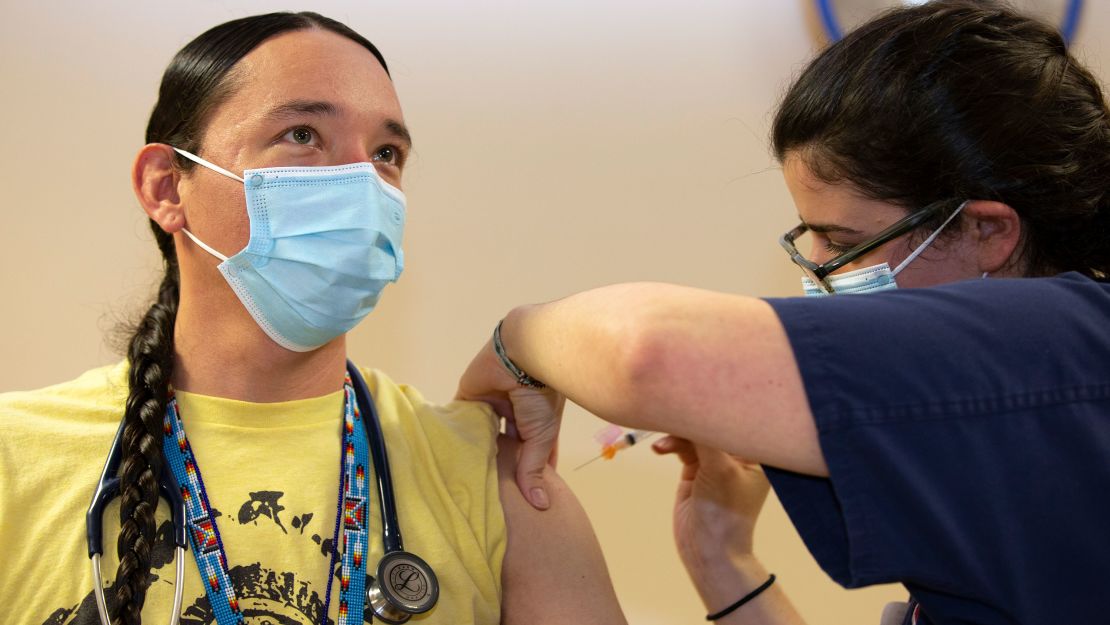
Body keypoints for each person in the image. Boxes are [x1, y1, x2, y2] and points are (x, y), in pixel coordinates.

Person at [458, 1, 1110, 623]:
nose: (820, 271)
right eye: (812, 237)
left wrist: (517, 342)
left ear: (987, 234)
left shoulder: (1055, 340)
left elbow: (644, 354)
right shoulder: (1026, 425)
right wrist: (725, 560)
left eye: (846, 243)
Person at [0, 12, 627, 625]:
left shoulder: (492, 478)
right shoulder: (16, 457)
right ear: (167, 187)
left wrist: (528, 335)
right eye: (302, 134)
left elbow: (649, 351)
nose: (361, 183)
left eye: (386, 152)